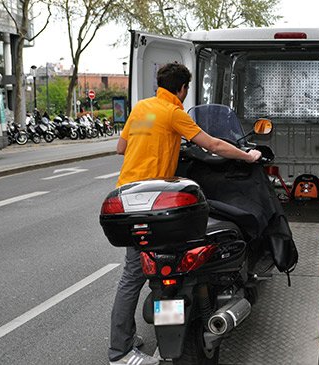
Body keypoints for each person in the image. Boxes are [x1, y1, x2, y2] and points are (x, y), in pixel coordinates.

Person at [108, 62, 261, 365]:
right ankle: (120, 351)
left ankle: (130, 336)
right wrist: (248, 156)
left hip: (126, 199)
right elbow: (213, 144)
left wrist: (163, 146)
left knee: (138, 272)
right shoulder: (173, 112)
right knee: (141, 273)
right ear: (182, 89)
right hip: (153, 202)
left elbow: (121, 147)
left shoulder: (142, 109)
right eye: (186, 88)